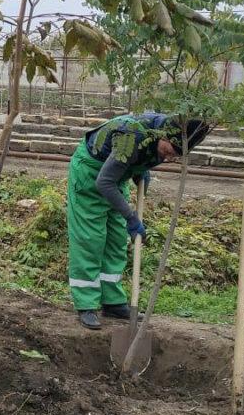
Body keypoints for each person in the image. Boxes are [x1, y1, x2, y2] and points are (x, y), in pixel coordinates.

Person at [67, 112, 210, 330]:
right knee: (91, 240)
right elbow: (104, 182)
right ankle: (86, 304)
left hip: (115, 179)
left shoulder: (164, 136)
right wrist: (132, 218)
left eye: (177, 155)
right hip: (91, 177)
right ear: (164, 136)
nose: (170, 157)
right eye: (170, 150)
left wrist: (138, 170)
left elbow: (132, 162)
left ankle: (113, 302)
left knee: (116, 241)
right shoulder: (130, 137)